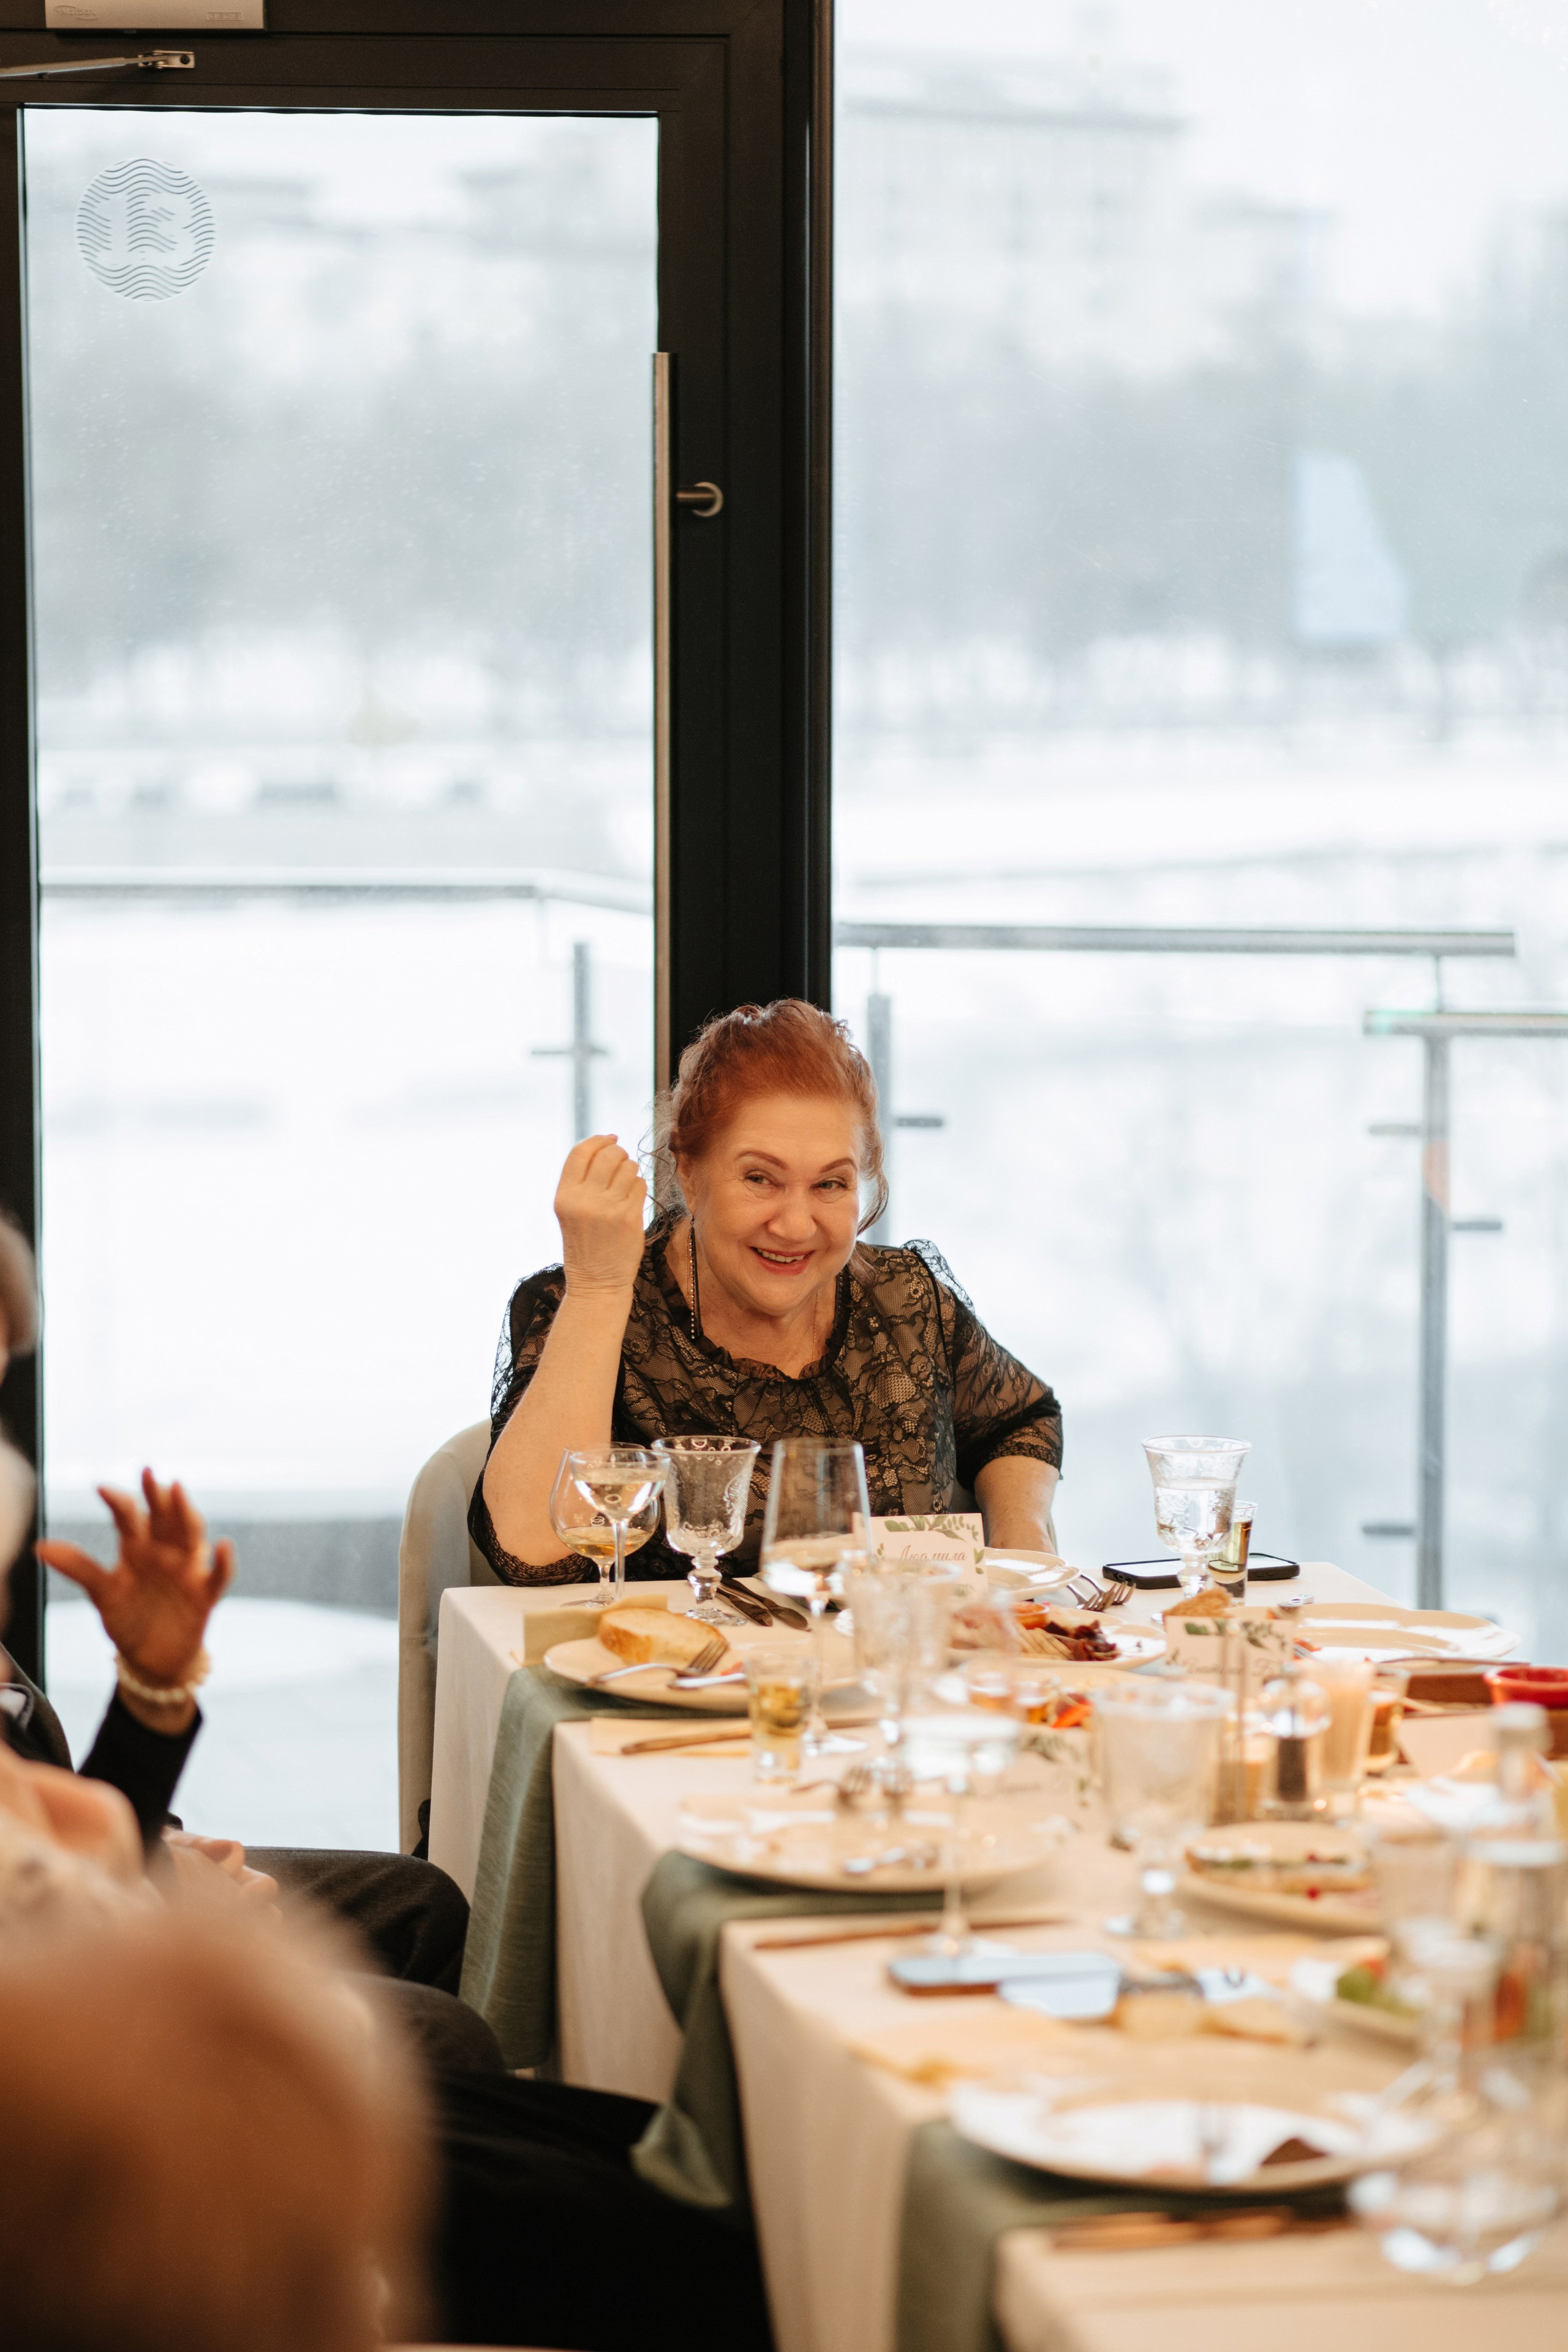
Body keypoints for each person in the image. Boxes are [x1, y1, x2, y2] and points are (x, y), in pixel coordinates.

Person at [473, 995, 1063, 1581]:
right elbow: (533, 1552)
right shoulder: (601, 1305)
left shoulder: (903, 1299)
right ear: (687, 1170)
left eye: (831, 1184)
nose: (796, 1225)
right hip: (675, 1672)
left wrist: (1024, 1543)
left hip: (890, 1664)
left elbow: (1020, 1419)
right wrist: (600, 1290)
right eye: (760, 1178)